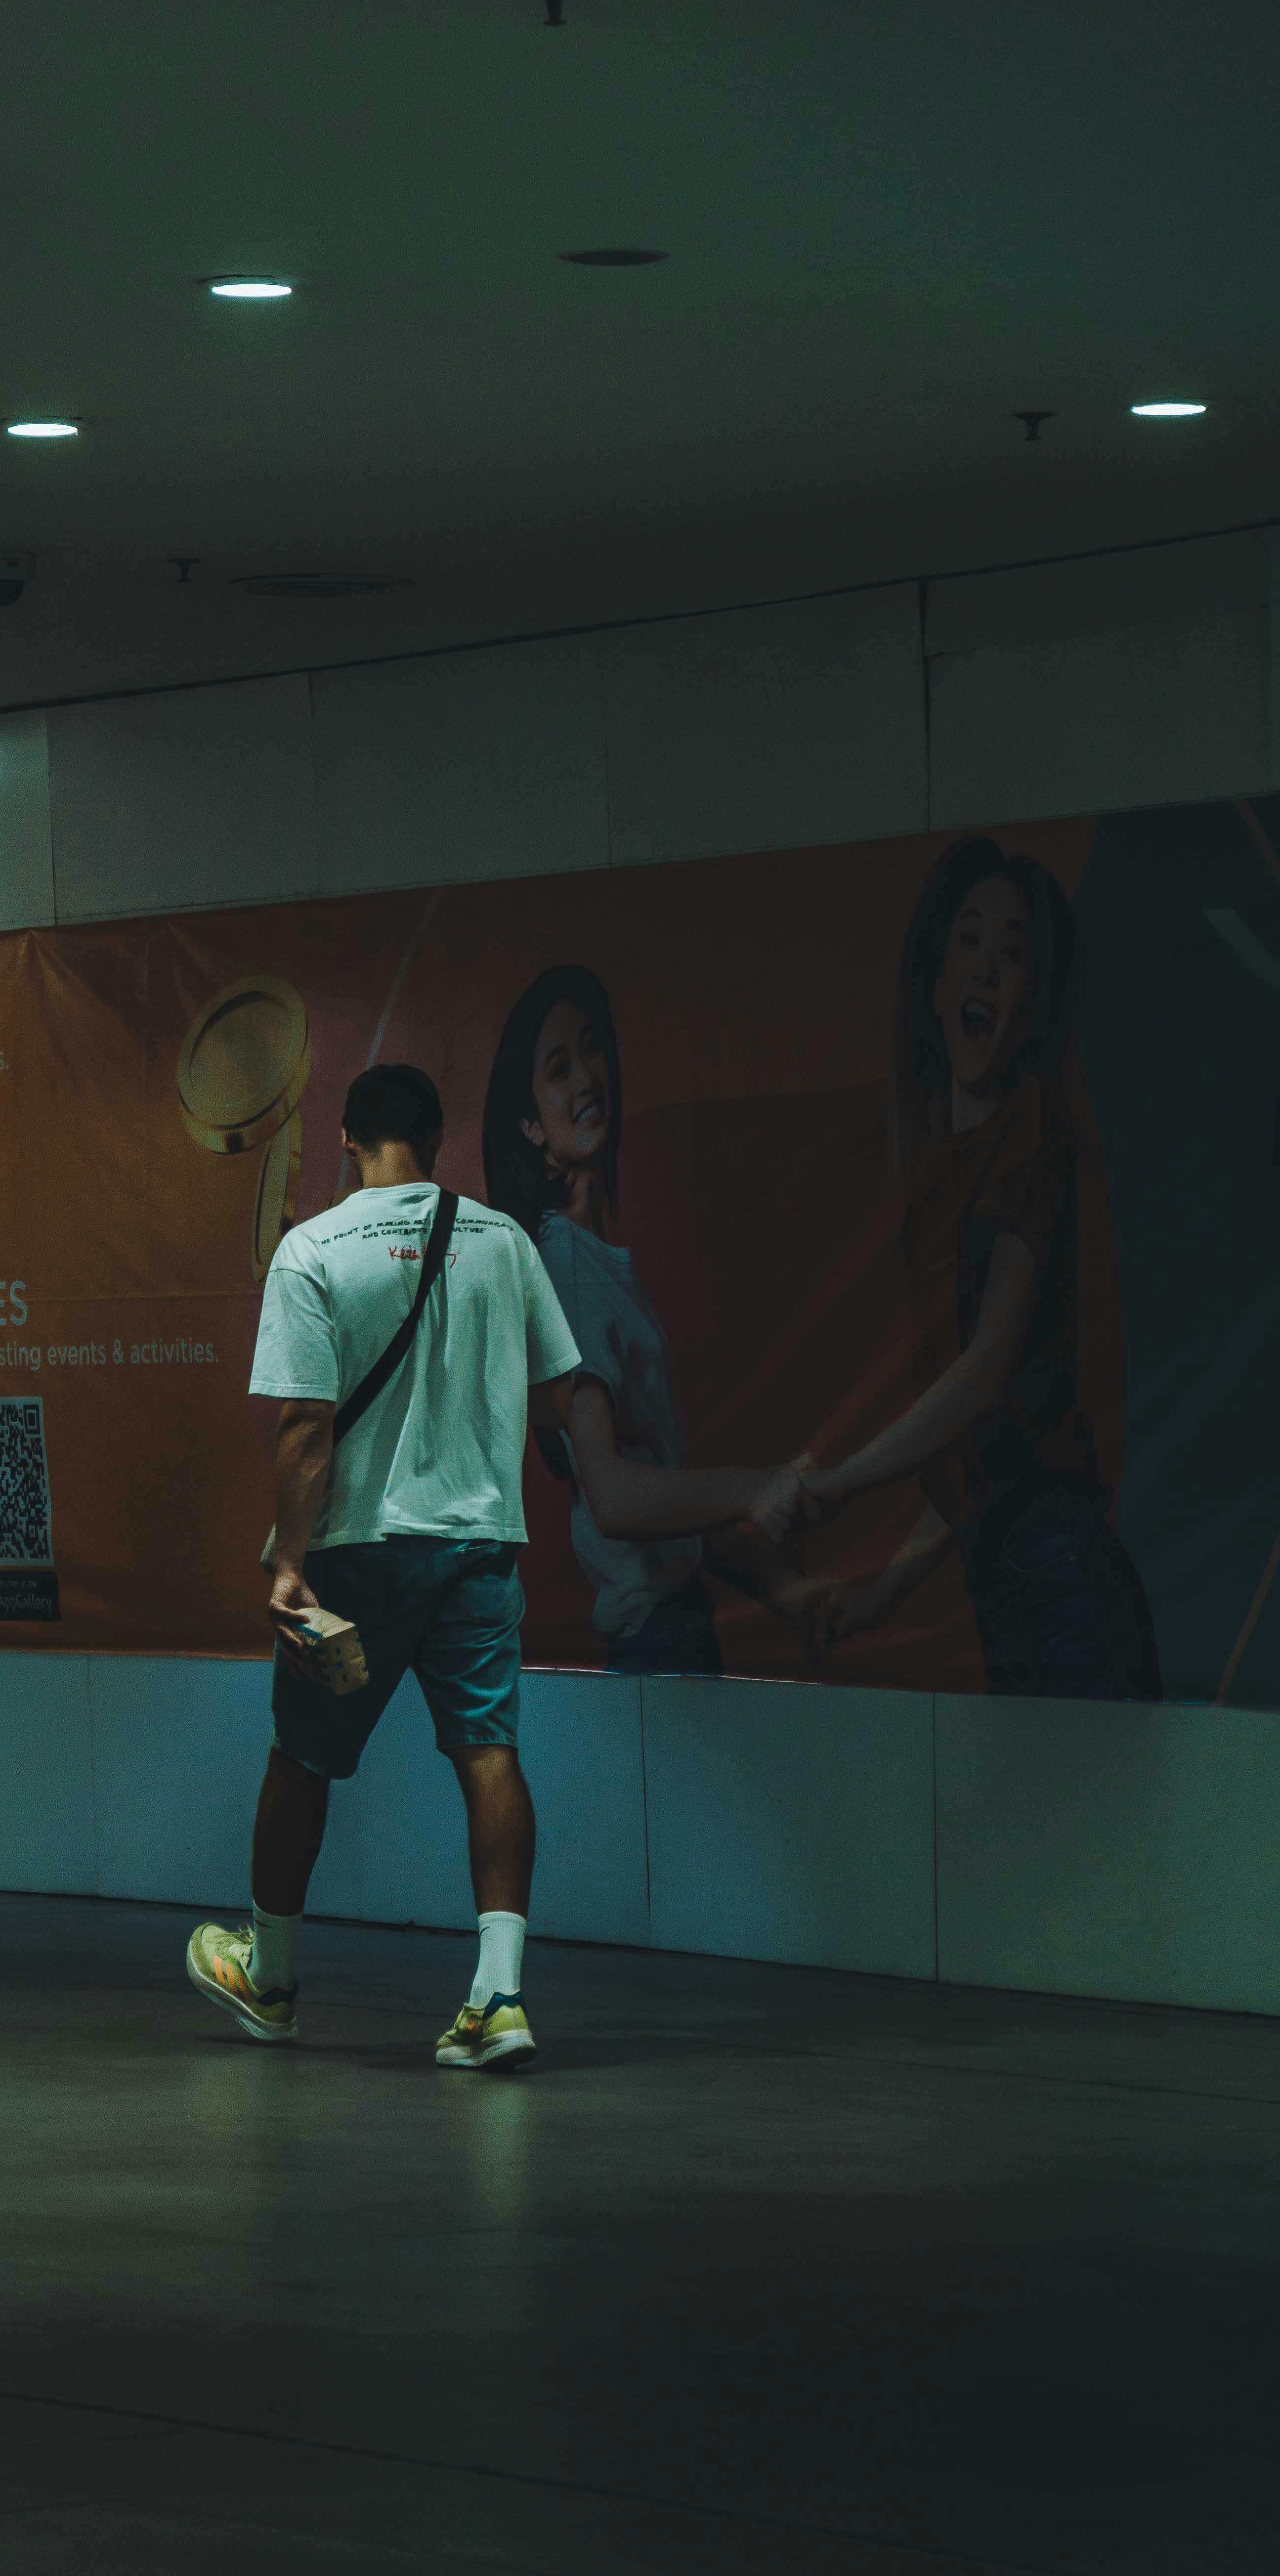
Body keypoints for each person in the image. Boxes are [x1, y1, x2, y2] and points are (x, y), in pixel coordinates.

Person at [186, 1061, 580, 2072]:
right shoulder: (501, 1241)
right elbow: (561, 1394)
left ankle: (268, 1978)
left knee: (303, 1760)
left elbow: (303, 1425)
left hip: (358, 1554)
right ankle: (497, 1999)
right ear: (438, 1144)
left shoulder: (312, 1248)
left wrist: (288, 1565)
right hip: (480, 1547)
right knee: (488, 1756)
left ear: (348, 1144)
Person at [760, 836, 1159, 1700]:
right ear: (936, 984)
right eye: (970, 943)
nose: (986, 970)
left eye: (1012, 955)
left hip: (1066, 1588)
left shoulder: (1030, 1134)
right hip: (1012, 1593)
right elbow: (977, 1461)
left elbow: (981, 1381)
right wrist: (871, 1601)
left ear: (1033, 999)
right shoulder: (946, 1172)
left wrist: (834, 1482)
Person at [482, 963, 805, 1670]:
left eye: (593, 1050)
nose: (588, 1079)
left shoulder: (591, 1262)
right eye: (559, 1069)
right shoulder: (566, 1265)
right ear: (531, 1124)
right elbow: (616, 1496)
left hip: (676, 1627)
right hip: (658, 1640)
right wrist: (754, 1485)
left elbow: (655, 1497)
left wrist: (790, 1591)